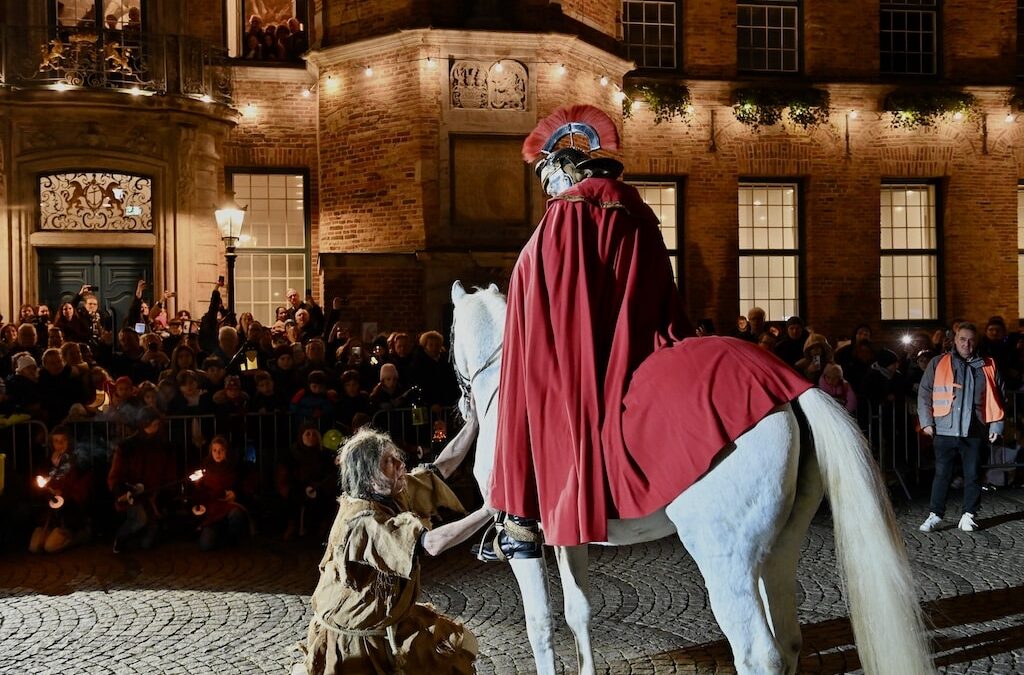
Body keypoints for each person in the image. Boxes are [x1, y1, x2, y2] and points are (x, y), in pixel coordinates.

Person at [490, 104, 691, 548]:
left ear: (567, 172)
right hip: (641, 336)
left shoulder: (567, 212)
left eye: (551, 182)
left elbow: (531, 283)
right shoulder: (639, 211)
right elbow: (661, 285)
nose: (550, 192)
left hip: (587, 346)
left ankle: (523, 514)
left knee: (532, 390)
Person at [295, 416, 489, 675]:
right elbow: (431, 543)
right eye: (388, 461)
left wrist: (474, 425)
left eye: (397, 457)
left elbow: (438, 470)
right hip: (356, 642)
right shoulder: (362, 521)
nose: (400, 465)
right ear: (369, 475)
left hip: (386, 623)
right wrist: (491, 510)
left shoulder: (390, 491)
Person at [918, 322, 1005, 534]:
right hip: (945, 428)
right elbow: (924, 392)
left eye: (971, 340)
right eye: (963, 339)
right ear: (954, 341)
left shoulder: (988, 365)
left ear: (977, 341)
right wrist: (926, 421)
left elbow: (999, 396)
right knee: (942, 474)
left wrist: (997, 424)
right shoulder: (938, 363)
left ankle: (969, 514)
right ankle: (936, 514)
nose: (967, 344)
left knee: (973, 474)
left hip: (975, 429)